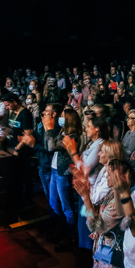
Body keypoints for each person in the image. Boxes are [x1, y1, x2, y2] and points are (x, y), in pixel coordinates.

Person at [74, 156, 129, 268]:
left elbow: (96, 226)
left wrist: (86, 198)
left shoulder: (117, 203)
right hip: (105, 244)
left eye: (109, 173)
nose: (106, 176)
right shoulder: (112, 192)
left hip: (113, 250)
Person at [64, 115, 109, 250]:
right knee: (83, 219)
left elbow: (86, 168)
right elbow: (80, 166)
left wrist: (73, 152)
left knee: (88, 220)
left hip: (91, 190)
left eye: (89, 126)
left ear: (97, 129)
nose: (86, 129)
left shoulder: (100, 144)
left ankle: (88, 250)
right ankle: (83, 246)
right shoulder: (91, 143)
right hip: (83, 187)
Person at [45, 108, 83, 252]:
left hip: (63, 173)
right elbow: (46, 144)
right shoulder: (62, 132)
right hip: (55, 170)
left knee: (67, 207)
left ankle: (71, 235)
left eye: (62, 116)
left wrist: (49, 129)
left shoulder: (72, 136)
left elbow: (50, 146)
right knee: (54, 203)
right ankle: (61, 230)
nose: (60, 118)